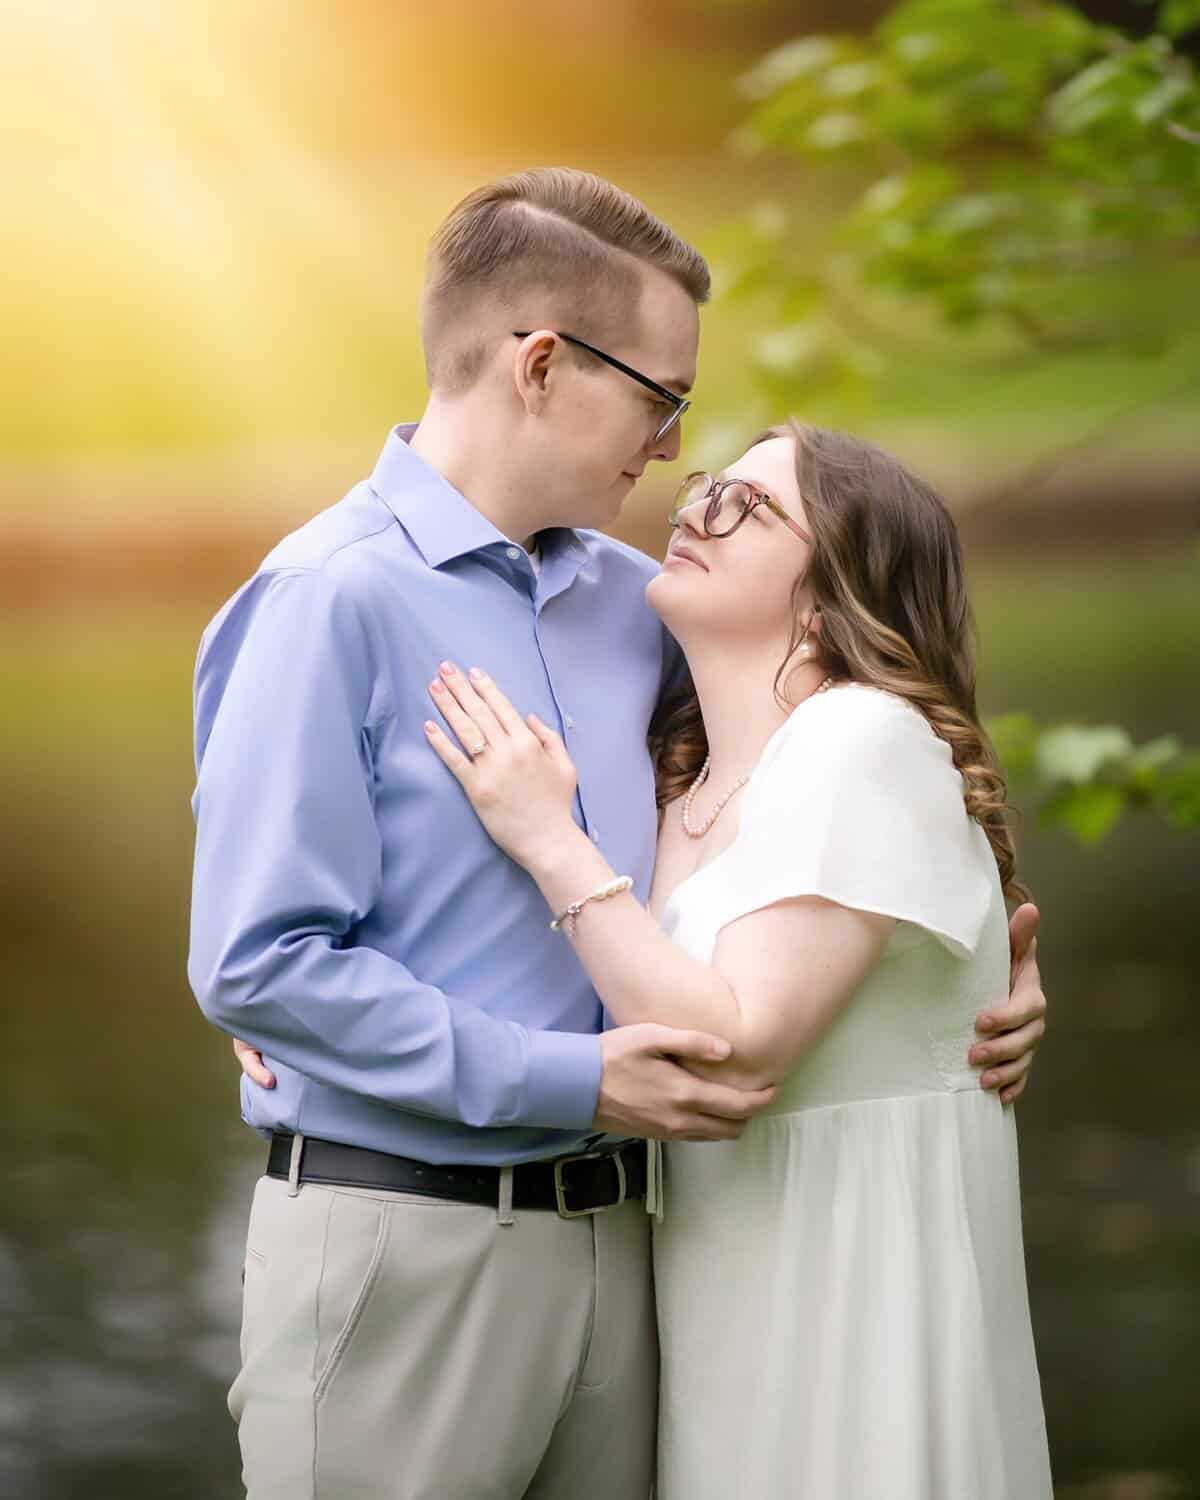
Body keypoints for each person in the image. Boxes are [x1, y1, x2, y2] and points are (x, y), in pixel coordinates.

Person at [191, 168, 1047, 1500]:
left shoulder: (638, 603)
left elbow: (857, 747)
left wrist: (982, 963)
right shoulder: (320, 602)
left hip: (641, 1263)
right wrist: (570, 1081)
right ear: (541, 364)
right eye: (665, 400)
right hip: (405, 1250)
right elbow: (256, 962)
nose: (668, 455)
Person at [420, 421, 1054, 1498]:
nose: (690, 511)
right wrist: (305, 1017)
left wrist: (544, 835)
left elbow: (728, 1046)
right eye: (705, 488)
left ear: (835, 594)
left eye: (746, 506)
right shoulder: (678, 783)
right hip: (725, 1292)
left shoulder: (864, 736)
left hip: (856, 1293)